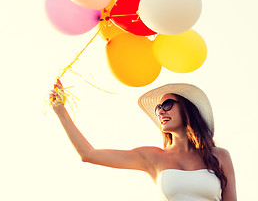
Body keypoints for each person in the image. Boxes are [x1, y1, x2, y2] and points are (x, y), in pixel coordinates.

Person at [50, 82, 237, 201]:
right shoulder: (152, 157)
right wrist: (61, 111)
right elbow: (88, 154)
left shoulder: (219, 156)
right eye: (158, 108)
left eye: (167, 105)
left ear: (187, 109)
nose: (161, 112)